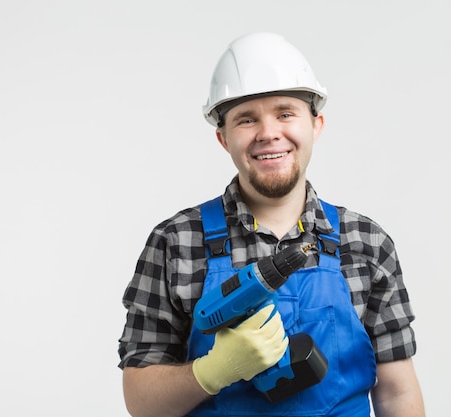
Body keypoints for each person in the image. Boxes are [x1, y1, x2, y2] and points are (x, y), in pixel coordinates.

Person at [118, 32, 425, 417]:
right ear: (222, 138)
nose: (268, 133)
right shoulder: (176, 242)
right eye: (246, 119)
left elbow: (397, 394)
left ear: (316, 125)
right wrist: (213, 371)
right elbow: (141, 403)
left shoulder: (366, 242)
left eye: (285, 112)